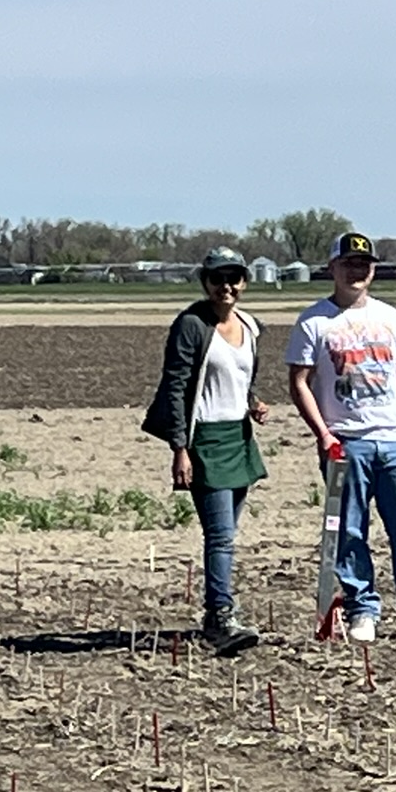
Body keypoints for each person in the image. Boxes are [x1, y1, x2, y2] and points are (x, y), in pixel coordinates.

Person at [285, 231, 396, 644]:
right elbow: (299, 382)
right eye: (349, 264)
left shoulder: (391, 319)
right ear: (333, 268)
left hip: (393, 440)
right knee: (349, 530)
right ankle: (362, 610)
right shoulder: (314, 321)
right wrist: (322, 432)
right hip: (345, 442)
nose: (358, 271)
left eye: (365, 265)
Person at [141, 245, 269, 653]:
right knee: (220, 537)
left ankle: (220, 612)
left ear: (244, 283)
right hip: (206, 441)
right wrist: (180, 448)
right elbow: (176, 386)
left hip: (239, 437)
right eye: (218, 279)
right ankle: (220, 617)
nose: (226, 286)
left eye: (234, 278)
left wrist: (253, 402)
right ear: (205, 282)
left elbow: (240, 377)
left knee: (228, 534)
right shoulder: (191, 325)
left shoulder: (250, 326)